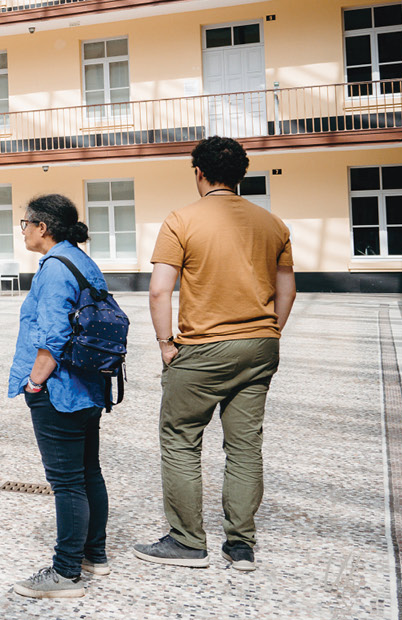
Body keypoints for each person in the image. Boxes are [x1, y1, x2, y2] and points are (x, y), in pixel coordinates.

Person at [133, 137, 296, 573]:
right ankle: (240, 545)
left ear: (198, 172)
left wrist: (167, 344)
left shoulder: (181, 220)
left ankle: (188, 541)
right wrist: (270, 330)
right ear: (241, 175)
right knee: (245, 447)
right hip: (261, 345)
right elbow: (286, 289)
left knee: (182, 439)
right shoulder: (273, 224)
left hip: (204, 348)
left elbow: (159, 290)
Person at [8, 194, 110, 599]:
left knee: (66, 482)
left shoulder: (53, 269)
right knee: (89, 472)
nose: (25, 231)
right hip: (88, 385)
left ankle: (66, 573)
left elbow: (52, 337)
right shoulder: (82, 260)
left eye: (25, 224)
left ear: (42, 227)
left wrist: (35, 383)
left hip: (59, 388)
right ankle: (93, 555)